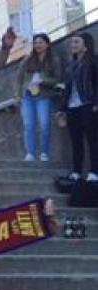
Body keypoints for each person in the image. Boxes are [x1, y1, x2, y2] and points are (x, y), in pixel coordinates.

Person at [15, 33, 62, 162]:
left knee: (44, 124)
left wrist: (43, 80)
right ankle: (29, 152)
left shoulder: (54, 60)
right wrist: (17, 94)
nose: (38, 45)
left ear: (47, 44)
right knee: (28, 124)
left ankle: (44, 152)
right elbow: (19, 78)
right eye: (35, 43)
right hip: (27, 96)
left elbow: (58, 79)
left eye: (41, 42)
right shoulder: (28, 59)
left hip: (43, 96)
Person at [62, 32, 98, 182]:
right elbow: (68, 88)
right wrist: (62, 109)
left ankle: (94, 171)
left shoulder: (94, 62)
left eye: (76, 42)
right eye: (72, 43)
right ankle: (76, 171)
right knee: (76, 141)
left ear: (85, 45)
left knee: (93, 140)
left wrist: (96, 103)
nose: (73, 45)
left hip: (88, 105)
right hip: (73, 107)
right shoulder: (71, 65)